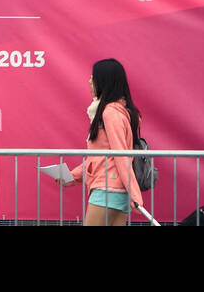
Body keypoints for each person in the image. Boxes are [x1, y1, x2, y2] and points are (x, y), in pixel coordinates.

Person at [62, 58, 144, 226]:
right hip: (115, 189)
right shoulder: (114, 111)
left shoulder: (110, 113)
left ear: (104, 82)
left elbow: (121, 155)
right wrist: (71, 177)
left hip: (108, 189)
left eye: (94, 77)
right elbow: (101, 157)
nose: (89, 81)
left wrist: (135, 194)